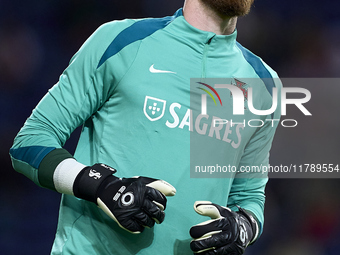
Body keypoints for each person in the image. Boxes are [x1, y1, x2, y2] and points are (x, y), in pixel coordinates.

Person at [10, 0, 282, 254]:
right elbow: (30, 142)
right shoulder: (121, 40)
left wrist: (242, 227)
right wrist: (101, 186)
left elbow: (249, 198)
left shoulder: (265, 85)